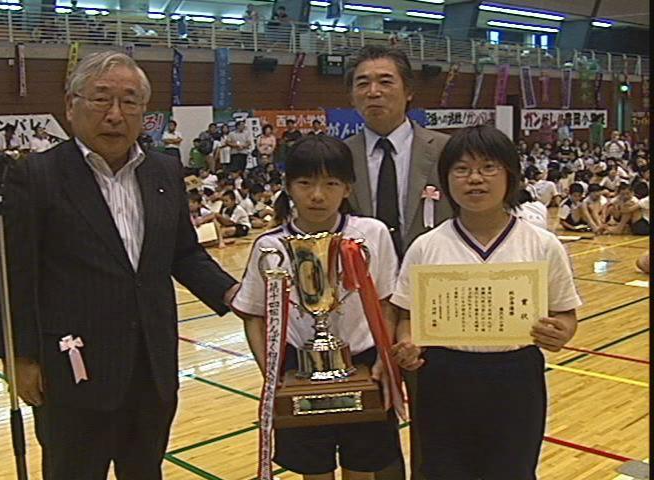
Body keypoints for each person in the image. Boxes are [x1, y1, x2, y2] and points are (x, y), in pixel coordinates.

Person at [0, 51, 238, 480]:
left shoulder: (164, 171)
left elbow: (184, 251)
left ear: (145, 112)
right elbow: (11, 275)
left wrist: (233, 293)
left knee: (145, 471)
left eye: (130, 101)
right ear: (71, 105)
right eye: (101, 99)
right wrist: (19, 358)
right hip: (73, 369)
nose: (115, 114)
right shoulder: (37, 176)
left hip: (151, 365)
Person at [390, 125, 581, 480]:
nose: (474, 179)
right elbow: (407, 316)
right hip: (443, 374)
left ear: (510, 175)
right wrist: (408, 342)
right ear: (446, 180)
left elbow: (565, 313)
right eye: (461, 169)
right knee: (443, 471)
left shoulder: (541, 244)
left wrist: (561, 332)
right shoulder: (426, 246)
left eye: (488, 167)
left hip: (516, 374)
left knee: (512, 471)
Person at [232, 135, 417, 480]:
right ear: (288, 186)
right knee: (314, 470)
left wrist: (383, 358)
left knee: (362, 468)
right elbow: (255, 316)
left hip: (365, 364)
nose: (317, 195)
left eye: (331, 183)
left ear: (348, 188)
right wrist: (273, 375)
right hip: (297, 368)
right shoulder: (270, 246)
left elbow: (386, 302)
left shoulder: (371, 234)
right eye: (305, 183)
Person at [344, 45, 451, 480]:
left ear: (408, 91)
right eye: (362, 83)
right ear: (352, 95)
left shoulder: (445, 151)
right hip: (365, 319)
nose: (374, 91)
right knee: (375, 435)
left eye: (385, 81)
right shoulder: (339, 157)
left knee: (437, 430)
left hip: (436, 315)